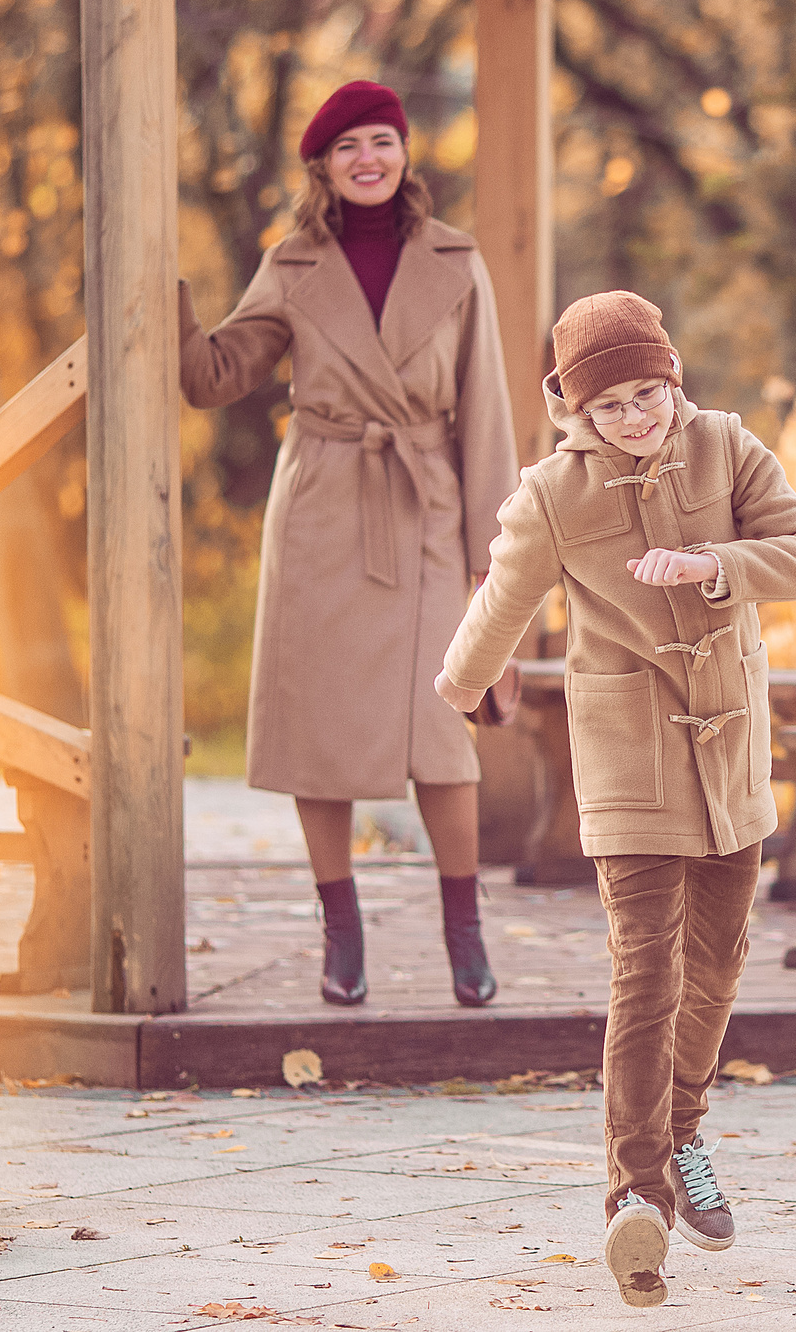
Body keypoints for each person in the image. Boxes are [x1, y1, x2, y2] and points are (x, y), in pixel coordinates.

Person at [433, 291, 796, 1307]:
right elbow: (500, 604)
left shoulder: (729, 450)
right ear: (574, 409)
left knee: (720, 962)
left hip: (731, 755)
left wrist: (716, 564)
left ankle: (684, 1129)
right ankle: (633, 1195)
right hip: (629, 758)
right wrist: (456, 692)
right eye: (609, 406)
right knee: (643, 970)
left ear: (674, 380)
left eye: (649, 395)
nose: (636, 418)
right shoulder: (552, 496)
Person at [179, 79, 516, 1008]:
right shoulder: (291, 267)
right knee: (320, 735)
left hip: (427, 509)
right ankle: (342, 934)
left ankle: (465, 932)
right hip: (325, 503)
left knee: (446, 731)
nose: (368, 158)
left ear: (404, 153)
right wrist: (156, 293)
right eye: (347, 147)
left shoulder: (458, 261)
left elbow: (486, 407)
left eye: (382, 140)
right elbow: (215, 375)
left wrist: (497, 548)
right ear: (321, 168)